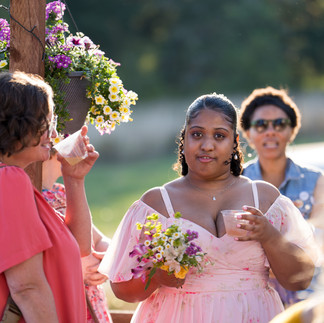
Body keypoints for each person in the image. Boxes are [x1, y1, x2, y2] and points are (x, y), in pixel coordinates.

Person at [98, 93, 320, 323]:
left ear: (234, 142)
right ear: (184, 140)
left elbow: (300, 280)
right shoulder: (155, 205)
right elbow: (122, 290)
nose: (207, 145)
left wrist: (269, 235)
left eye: (219, 136)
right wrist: (157, 277)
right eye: (197, 134)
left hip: (253, 314)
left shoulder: (265, 199)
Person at [0, 71, 99, 322]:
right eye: (45, 120)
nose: (53, 132)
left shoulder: (15, 182)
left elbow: (77, 249)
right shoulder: (8, 181)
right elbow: (27, 289)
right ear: (17, 123)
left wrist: (73, 179)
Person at [239, 86, 324, 306]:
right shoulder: (235, 181)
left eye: (280, 124)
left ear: (292, 130)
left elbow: (319, 246)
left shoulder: (316, 181)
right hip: (249, 296)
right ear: (248, 133)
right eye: (261, 125)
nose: (271, 131)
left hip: (304, 294)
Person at [42, 148, 112, 323]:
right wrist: (78, 267)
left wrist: (108, 258)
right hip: (65, 300)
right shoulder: (34, 199)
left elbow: (98, 239)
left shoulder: (62, 192)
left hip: (91, 302)